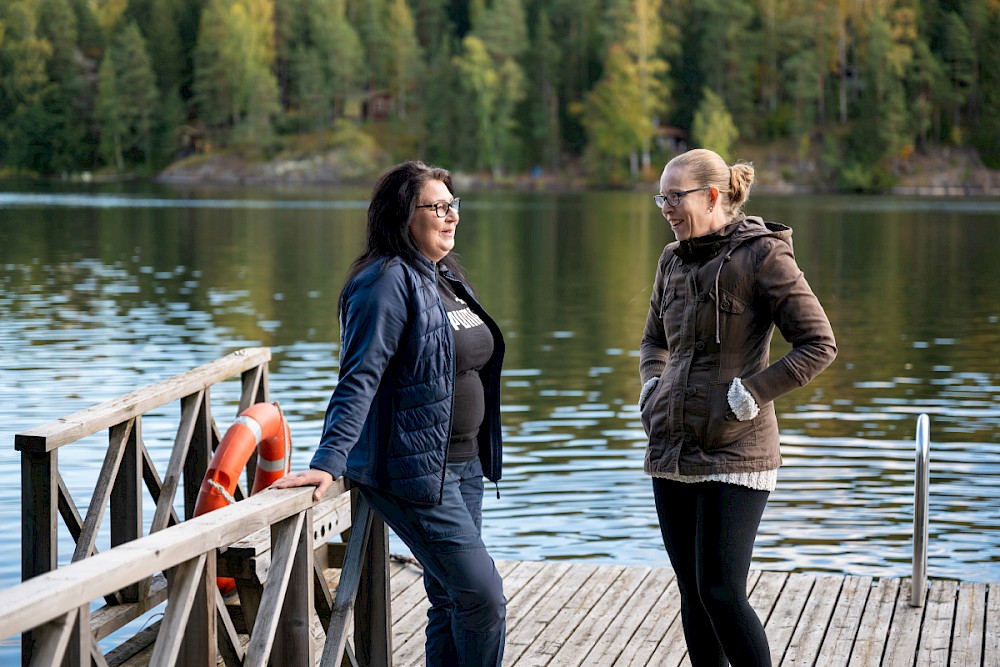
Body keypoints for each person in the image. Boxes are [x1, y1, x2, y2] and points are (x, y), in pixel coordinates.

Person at [270, 160, 506, 666]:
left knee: (451, 598)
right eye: (438, 207)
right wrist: (329, 460)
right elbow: (359, 376)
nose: (452, 217)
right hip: (415, 472)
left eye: (453, 205)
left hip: (463, 465)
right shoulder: (384, 282)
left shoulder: (447, 275)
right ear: (404, 215)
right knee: (483, 598)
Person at [638, 148, 836, 666]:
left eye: (674, 197)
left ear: (711, 195)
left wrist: (752, 393)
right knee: (693, 592)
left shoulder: (763, 255)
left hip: (736, 449)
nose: (666, 208)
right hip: (673, 444)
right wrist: (651, 384)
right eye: (661, 198)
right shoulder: (671, 259)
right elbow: (653, 340)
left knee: (722, 591)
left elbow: (819, 343)